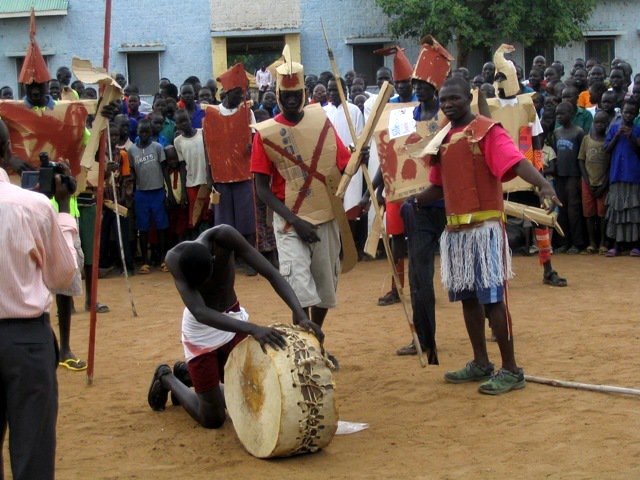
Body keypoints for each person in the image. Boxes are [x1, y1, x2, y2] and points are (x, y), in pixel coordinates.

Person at [415, 76, 559, 395]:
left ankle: (511, 368)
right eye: (444, 100)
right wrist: (410, 197)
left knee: (492, 300)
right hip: (456, 231)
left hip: (485, 229)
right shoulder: (443, 138)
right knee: (467, 298)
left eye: (454, 98)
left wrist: (543, 184)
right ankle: (481, 362)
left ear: (469, 97)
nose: (449, 104)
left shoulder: (486, 131)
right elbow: (438, 185)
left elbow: (516, 161)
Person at [146, 225, 322, 427]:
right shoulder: (174, 259)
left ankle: (188, 374)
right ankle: (167, 377)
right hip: (201, 333)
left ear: (213, 260)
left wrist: (300, 315)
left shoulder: (224, 237)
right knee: (213, 418)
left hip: (232, 318)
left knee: (251, 392)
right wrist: (252, 329)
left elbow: (271, 273)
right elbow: (200, 312)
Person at [251, 46, 366, 350]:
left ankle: (315, 342)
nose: (292, 99)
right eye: (286, 95)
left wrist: (358, 160)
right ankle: (305, 349)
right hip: (289, 222)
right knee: (298, 288)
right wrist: (294, 221)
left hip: (326, 215)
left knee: (325, 288)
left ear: (303, 94)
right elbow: (261, 189)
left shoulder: (322, 122)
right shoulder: (265, 134)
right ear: (277, 95)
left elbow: (342, 164)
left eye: (296, 94)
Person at [0, 117, 77, 480]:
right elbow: (63, 277)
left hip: (26, 338)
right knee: (32, 452)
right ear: (7, 153)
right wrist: (63, 209)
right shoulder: (32, 206)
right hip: (25, 340)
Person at [488, 44, 567, 286]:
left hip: (526, 171)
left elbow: (537, 139)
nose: (500, 81)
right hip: (499, 172)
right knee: (496, 224)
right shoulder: (487, 106)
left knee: (540, 221)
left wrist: (538, 169)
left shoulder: (526, 104)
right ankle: (498, 271)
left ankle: (547, 268)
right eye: (497, 77)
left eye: (504, 76)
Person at [395, 36, 452, 361]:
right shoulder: (405, 115)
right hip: (418, 208)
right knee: (420, 278)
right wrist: (377, 183)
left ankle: (490, 321)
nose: (418, 88)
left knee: (468, 273)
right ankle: (425, 339)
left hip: (452, 204)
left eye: (423, 83)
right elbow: (394, 155)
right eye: (415, 83)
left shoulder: (450, 115)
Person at [204, 63, 257, 273]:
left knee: (247, 221)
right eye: (236, 93)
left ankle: (250, 260)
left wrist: (250, 147)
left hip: (244, 175)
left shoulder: (248, 113)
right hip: (221, 178)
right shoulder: (210, 115)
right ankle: (226, 262)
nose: (240, 97)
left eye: (242, 93)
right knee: (224, 223)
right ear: (226, 92)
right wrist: (210, 179)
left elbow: (255, 141)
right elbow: (206, 149)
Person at [128, 118, 170, 273]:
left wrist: (168, 192)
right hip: (141, 193)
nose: (144, 135)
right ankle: (145, 261)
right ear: (138, 133)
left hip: (158, 191)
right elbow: (132, 172)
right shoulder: (132, 150)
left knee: (161, 227)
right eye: (141, 132)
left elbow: (164, 170)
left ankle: (163, 259)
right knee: (143, 228)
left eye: (147, 132)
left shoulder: (158, 148)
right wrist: (132, 193)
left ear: (151, 134)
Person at [603, 99, 640, 256]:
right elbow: (607, 149)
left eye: (631, 113)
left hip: (633, 175)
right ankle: (616, 245)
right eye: (626, 112)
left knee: (633, 212)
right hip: (617, 174)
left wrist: (631, 137)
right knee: (617, 211)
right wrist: (617, 135)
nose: (628, 115)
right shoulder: (614, 129)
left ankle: (635, 245)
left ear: (636, 114)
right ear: (621, 112)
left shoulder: (637, 130)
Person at [551, 101, 586, 253]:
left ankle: (577, 243)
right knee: (562, 210)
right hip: (560, 176)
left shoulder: (578, 132)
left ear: (571, 115)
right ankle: (563, 242)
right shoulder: (557, 133)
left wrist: (580, 177)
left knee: (574, 210)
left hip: (573, 175)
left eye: (562, 113)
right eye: (557, 114)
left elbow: (581, 155)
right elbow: (554, 153)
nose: (559, 116)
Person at [578, 110, 610, 254]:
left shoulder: (609, 141)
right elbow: (581, 160)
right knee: (589, 214)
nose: (599, 125)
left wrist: (604, 184)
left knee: (602, 214)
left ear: (607, 124)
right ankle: (592, 242)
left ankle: (603, 242)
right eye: (597, 122)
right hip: (588, 182)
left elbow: (610, 164)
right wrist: (587, 180)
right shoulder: (586, 139)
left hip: (603, 183)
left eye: (603, 122)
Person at [174, 109, 209, 234]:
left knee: (208, 216)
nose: (184, 124)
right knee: (195, 218)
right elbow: (182, 166)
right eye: (180, 122)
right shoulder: (178, 142)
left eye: (185, 120)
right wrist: (183, 191)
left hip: (207, 181)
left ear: (190, 119)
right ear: (176, 125)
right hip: (191, 184)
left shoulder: (203, 133)